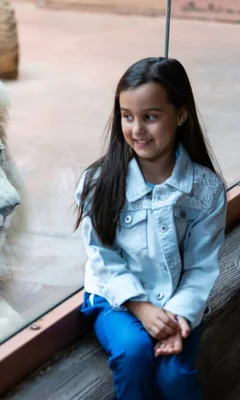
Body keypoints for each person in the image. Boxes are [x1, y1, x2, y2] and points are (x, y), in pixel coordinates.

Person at [73, 57, 228, 400]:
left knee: (175, 377)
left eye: (150, 117)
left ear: (181, 115)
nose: (137, 130)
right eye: (127, 116)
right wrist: (142, 309)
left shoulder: (206, 190)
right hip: (114, 300)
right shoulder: (98, 183)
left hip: (178, 303)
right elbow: (102, 257)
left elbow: (201, 267)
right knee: (133, 352)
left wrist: (176, 317)